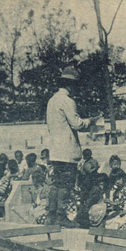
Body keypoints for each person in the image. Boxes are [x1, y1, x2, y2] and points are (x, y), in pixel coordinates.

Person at [46, 66, 102, 226]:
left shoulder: (52, 101)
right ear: (71, 84)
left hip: (55, 150)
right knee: (66, 184)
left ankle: (51, 215)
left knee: (56, 184)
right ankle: (60, 216)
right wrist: (90, 121)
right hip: (67, 151)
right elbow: (77, 124)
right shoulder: (68, 101)